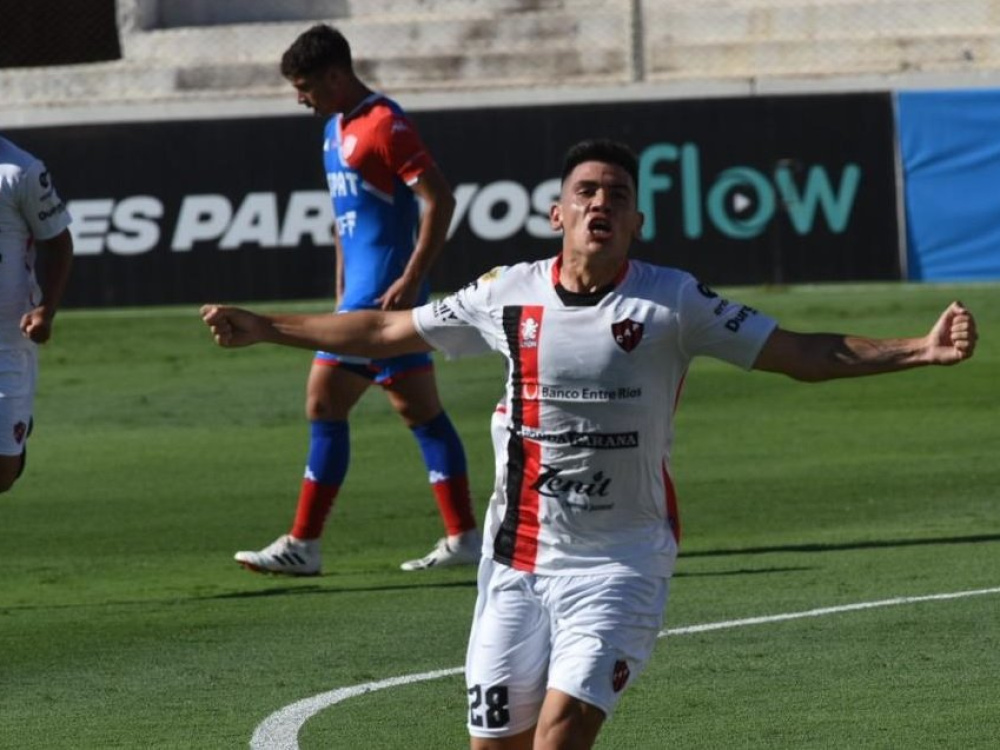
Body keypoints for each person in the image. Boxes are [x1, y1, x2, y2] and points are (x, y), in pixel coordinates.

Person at [202, 138, 978, 749]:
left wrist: (919, 348)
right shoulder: (506, 293)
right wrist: (268, 327)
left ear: (636, 223)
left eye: (618, 195)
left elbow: (801, 352)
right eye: (586, 192)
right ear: (557, 214)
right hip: (515, 565)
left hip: (620, 564)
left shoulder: (674, 301)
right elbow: (382, 330)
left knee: (561, 735)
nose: (601, 202)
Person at [232, 24, 481, 576]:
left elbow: (440, 199)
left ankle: (304, 543)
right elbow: (348, 223)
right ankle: (464, 537)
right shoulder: (333, 130)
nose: (300, 99)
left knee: (324, 403)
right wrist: (341, 288)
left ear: (335, 76)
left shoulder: (385, 124)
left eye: (305, 87)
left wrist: (412, 277)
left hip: (384, 298)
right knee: (420, 411)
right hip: (359, 295)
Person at [0, 135, 74, 494]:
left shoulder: (21, 171)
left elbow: (59, 244)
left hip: (6, 336)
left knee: (1, 476)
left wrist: (46, 310)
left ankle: (17, 434)